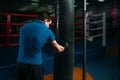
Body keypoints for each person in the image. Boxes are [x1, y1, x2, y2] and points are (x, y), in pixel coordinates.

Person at [16, 12, 65, 80]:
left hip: (20, 63)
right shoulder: (48, 31)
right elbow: (59, 48)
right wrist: (65, 47)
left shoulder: (24, 26)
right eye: (49, 24)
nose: (48, 26)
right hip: (35, 64)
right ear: (45, 20)